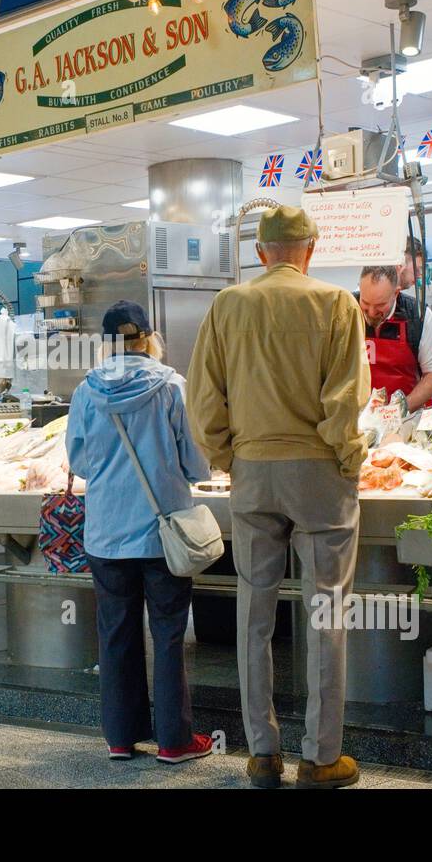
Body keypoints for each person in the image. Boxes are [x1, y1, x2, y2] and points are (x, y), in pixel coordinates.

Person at [187, 206, 369, 790]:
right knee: (325, 614)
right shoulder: (337, 303)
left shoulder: (227, 305)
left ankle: (262, 753)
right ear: (310, 248)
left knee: (253, 614)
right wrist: (346, 457)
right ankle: (321, 757)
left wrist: (228, 457)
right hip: (318, 474)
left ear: (261, 252)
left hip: (253, 472)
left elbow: (203, 401)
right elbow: (346, 398)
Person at [66, 300, 214, 765]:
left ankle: (120, 737)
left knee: (115, 634)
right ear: (150, 338)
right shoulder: (172, 387)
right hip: (161, 532)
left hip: (107, 532)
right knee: (169, 634)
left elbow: (80, 462)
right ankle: (174, 741)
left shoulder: (85, 392)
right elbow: (196, 462)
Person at [355, 264, 432, 412]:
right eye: (365, 303)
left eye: (380, 305)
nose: (371, 313)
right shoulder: (346, 310)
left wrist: (399, 410)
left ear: (396, 293)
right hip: (355, 419)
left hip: (405, 418)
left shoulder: (419, 316)